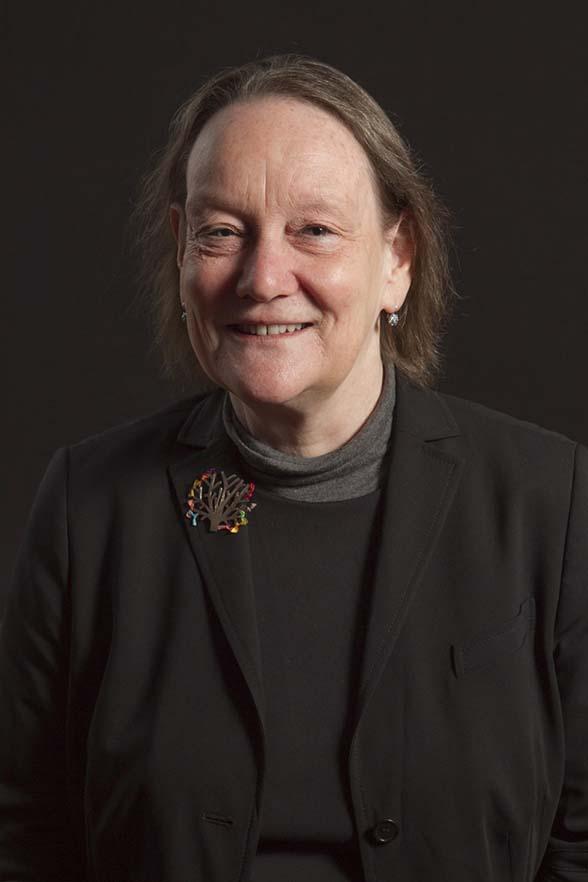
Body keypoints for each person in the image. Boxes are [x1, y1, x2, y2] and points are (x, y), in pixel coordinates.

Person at [1, 53, 586, 882]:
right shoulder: (86, 509)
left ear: (398, 259)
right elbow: (25, 837)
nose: (263, 277)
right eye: (222, 232)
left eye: (314, 229)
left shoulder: (550, 502)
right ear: (180, 254)